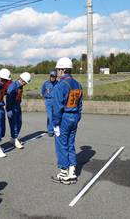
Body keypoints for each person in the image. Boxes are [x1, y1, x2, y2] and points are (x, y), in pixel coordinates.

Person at [51, 57, 83, 185]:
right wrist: (78, 117)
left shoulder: (61, 85)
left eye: (58, 69)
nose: (57, 72)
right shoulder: (78, 84)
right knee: (70, 143)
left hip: (64, 117)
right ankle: (72, 171)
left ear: (63, 69)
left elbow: (57, 107)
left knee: (61, 144)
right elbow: (80, 104)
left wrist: (55, 123)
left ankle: (63, 172)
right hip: (74, 116)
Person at [6, 72, 31, 149]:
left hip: (17, 106)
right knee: (14, 124)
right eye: (25, 82)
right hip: (12, 107)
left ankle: (13, 138)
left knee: (19, 122)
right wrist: (9, 109)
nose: (25, 84)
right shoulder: (13, 86)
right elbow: (8, 98)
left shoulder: (20, 86)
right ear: (22, 80)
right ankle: (15, 139)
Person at [41, 70, 58, 137]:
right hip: (48, 101)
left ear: (56, 77)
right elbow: (43, 91)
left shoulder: (58, 83)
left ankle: (55, 129)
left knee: (55, 115)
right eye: (51, 76)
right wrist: (46, 96)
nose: (52, 78)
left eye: (54, 76)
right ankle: (50, 130)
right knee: (50, 116)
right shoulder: (46, 83)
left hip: (56, 101)